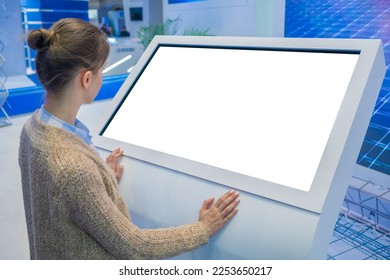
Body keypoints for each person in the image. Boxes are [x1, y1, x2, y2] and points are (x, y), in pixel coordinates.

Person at [18, 18, 239, 260]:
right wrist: (203, 228)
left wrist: (102, 180)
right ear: (87, 79)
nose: (102, 76)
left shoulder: (32, 127)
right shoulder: (74, 169)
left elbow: (57, 201)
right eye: (102, 69)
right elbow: (135, 246)